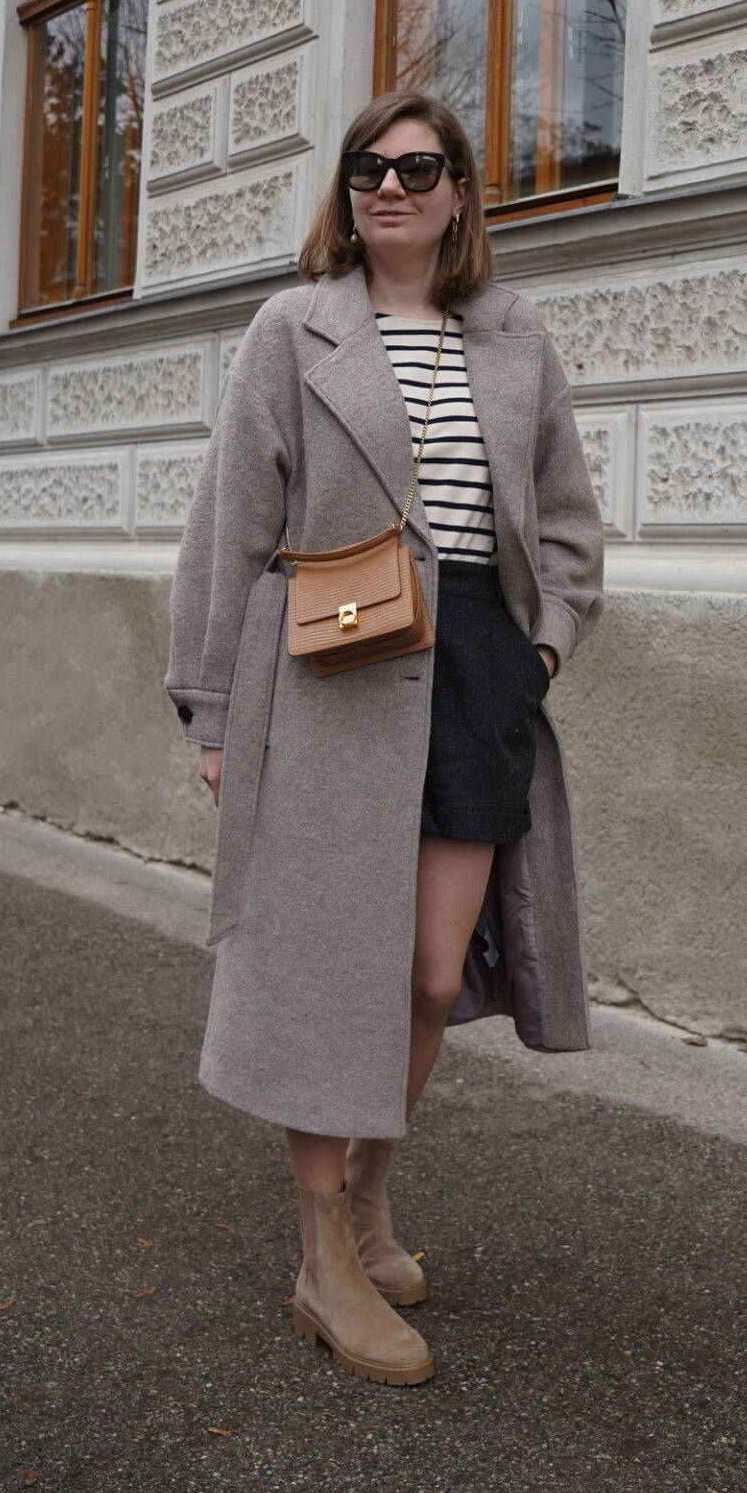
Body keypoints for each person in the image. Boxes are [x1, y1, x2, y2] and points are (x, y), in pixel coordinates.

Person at [166, 90, 604, 1386]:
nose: (393, 187)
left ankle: (367, 1202)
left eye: (421, 167)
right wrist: (211, 709)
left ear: (461, 192)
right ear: (348, 192)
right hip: (326, 669)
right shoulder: (289, 332)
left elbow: (572, 532)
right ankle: (320, 1261)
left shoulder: (518, 341)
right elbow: (228, 527)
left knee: (425, 975)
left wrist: (537, 653)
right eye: (370, 168)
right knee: (324, 975)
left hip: (474, 666)